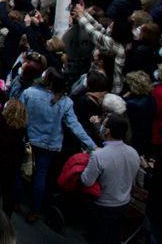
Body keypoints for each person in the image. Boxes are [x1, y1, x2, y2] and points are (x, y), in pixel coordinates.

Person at [19, 67, 96, 222]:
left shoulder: (30, 93)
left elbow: (19, 113)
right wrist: (92, 145)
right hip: (49, 145)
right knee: (40, 176)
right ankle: (34, 210)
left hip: (29, 140)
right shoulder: (65, 102)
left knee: (22, 170)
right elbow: (75, 126)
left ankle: (15, 201)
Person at [81, 113, 141, 244]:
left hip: (103, 206)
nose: (101, 127)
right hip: (123, 204)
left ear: (107, 130)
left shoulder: (98, 155)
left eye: (103, 125)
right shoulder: (133, 152)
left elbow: (86, 180)